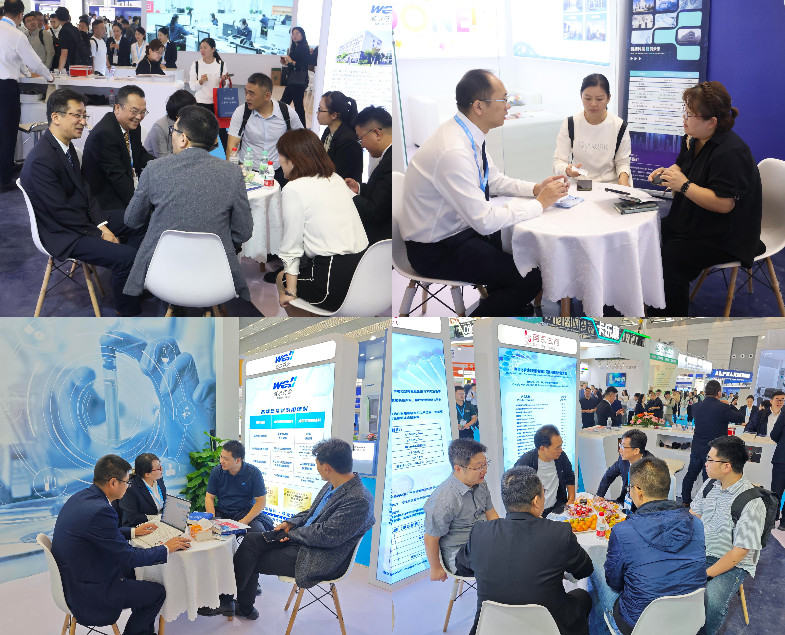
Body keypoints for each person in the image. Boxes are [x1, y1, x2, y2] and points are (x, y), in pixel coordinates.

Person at [400, 69, 568, 316]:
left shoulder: (466, 133)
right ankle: (469, 333)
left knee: (526, 254)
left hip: (458, 230)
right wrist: (540, 203)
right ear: (479, 106)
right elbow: (485, 221)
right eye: (503, 99)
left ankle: (507, 310)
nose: (508, 106)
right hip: (435, 247)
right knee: (529, 279)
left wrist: (534, 189)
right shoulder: (453, 150)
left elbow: (493, 180)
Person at [202, 438, 375, 620]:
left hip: (315, 554)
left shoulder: (359, 500)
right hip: (302, 539)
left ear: (326, 468)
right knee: (250, 541)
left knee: (250, 556)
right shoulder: (333, 484)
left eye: (317, 464)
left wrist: (291, 535)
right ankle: (233, 603)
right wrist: (290, 524)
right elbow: (311, 513)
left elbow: (326, 535)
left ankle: (235, 604)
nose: (316, 468)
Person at [19, 88, 146, 316]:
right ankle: (127, 312)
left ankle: (130, 282)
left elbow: (86, 192)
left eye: (84, 116)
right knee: (127, 256)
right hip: (62, 233)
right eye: (77, 115)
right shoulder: (42, 160)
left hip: (80, 221)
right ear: (56, 117)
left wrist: (102, 225)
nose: (83, 122)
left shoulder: (65, 147)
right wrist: (99, 233)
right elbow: (61, 213)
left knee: (139, 219)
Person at [649, 81, 763, 316]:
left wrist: (684, 185)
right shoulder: (694, 137)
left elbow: (724, 204)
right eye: (685, 111)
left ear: (712, 122)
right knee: (648, 236)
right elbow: (681, 166)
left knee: (672, 260)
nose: (684, 119)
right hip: (695, 218)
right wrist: (668, 174)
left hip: (725, 234)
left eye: (690, 115)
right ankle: (656, 303)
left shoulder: (731, 153)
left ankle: (669, 325)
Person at [124, 104, 253, 306]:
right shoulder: (233, 173)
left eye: (174, 131)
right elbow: (243, 232)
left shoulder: (154, 169)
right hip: (216, 274)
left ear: (183, 138)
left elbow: (132, 220)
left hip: (161, 273)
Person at [51, 454, 191, 635]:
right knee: (157, 593)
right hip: (91, 590)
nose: (128, 486)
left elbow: (102, 533)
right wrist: (166, 548)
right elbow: (129, 556)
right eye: (126, 482)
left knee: (138, 575)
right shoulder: (102, 510)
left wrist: (133, 531)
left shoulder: (82, 497)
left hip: (75, 578)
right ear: (113, 483)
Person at [455, 466, 593, 635]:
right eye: (544, 493)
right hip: (550, 627)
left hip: (491, 627)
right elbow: (585, 569)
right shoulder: (559, 532)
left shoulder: (479, 532)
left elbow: (461, 566)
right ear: (536, 501)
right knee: (584, 596)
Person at [589, 456, 706, 635]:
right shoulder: (697, 524)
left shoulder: (623, 531)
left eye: (630, 488)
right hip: (689, 620)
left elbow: (614, 581)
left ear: (638, 491)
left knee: (594, 564)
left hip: (638, 626)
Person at [274, 129, 369, 314]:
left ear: (292, 159)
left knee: (281, 279)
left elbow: (291, 247)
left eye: (280, 155)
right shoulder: (335, 178)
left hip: (331, 284)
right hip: (363, 275)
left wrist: (290, 292)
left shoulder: (293, 189)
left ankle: (303, 328)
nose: (279, 160)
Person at [691, 436, 766, 635]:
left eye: (710, 459)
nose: (705, 463)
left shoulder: (751, 502)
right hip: (702, 550)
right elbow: (694, 515)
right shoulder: (710, 485)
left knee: (712, 601)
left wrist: (705, 574)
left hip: (732, 561)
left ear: (726, 466)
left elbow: (739, 553)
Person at [423, 438, 499, 579]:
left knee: (520, 546)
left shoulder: (481, 483)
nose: (484, 471)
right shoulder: (444, 499)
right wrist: (436, 568)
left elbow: (491, 512)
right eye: (478, 467)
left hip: (483, 542)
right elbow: (430, 538)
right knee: (508, 563)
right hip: (461, 554)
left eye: (485, 464)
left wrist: (501, 535)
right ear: (458, 468)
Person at [0, 0, 54, 193]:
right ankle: (4, 179)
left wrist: (25, 71)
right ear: (21, 15)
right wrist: (49, 76)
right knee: (7, 132)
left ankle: (6, 167)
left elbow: (21, 62)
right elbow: (34, 62)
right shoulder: (16, 35)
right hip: (5, 88)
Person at [83, 84, 155, 212]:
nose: (139, 117)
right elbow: (118, 177)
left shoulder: (132, 125)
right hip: (106, 201)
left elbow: (140, 154)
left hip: (129, 186)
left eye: (143, 112)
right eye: (134, 111)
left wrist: (163, 164)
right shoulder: (104, 134)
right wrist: (140, 208)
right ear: (117, 108)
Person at [226, 72, 302, 186]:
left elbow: (301, 139)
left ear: (267, 96)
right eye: (246, 92)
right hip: (247, 171)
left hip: (276, 171)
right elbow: (232, 146)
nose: (247, 97)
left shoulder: (286, 112)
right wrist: (232, 175)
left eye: (252, 94)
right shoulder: (241, 112)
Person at [553, 73, 631, 185]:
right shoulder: (571, 123)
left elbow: (623, 163)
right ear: (581, 96)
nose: (593, 104)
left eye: (599, 99)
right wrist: (567, 170)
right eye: (588, 98)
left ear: (608, 98)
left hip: (609, 184)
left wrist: (623, 180)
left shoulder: (619, 126)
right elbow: (559, 161)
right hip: (580, 183)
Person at [681, 379, 743, 505]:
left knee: (691, 475)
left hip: (697, 447)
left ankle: (685, 500)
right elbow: (740, 417)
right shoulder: (723, 407)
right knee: (709, 479)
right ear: (719, 393)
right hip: (714, 451)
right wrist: (730, 405)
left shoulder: (696, 407)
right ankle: (706, 505)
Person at [345, 105, 392, 245]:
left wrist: (350, 195)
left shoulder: (390, 163)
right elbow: (382, 192)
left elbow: (374, 212)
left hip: (380, 241)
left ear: (377, 133)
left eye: (361, 139)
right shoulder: (388, 156)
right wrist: (359, 188)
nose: (361, 145)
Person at [204, 440, 273, 533]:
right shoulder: (216, 471)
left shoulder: (253, 473)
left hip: (246, 513)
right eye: (221, 457)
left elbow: (261, 501)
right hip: (222, 512)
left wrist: (245, 521)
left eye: (226, 459)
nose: (221, 461)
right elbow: (209, 497)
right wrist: (212, 520)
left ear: (238, 460)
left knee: (258, 533)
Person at [514, 424, 576, 516]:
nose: (561, 450)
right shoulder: (525, 462)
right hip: (534, 513)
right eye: (557, 447)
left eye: (561, 445)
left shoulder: (561, 457)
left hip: (556, 508)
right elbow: (515, 493)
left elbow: (569, 476)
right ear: (542, 448)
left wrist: (571, 499)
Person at [596, 428, 652, 513]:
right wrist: (600, 495)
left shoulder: (650, 467)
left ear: (636, 450)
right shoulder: (623, 460)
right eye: (620, 445)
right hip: (624, 502)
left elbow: (651, 500)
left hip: (641, 510)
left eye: (623, 447)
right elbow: (609, 475)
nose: (620, 450)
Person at [317, 90, 362, 182]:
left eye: (320, 110)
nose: (317, 113)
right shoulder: (328, 130)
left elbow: (339, 174)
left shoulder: (348, 140)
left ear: (334, 115)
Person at [143, 88, 196, 158]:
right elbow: (163, 158)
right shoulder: (159, 128)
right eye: (191, 111)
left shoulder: (188, 122)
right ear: (178, 114)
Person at [120, 453, 167, 527]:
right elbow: (132, 518)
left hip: (160, 522)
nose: (162, 469)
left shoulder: (158, 478)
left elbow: (163, 501)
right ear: (147, 474)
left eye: (160, 465)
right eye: (158, 468)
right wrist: (156, 518)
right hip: (140, 526)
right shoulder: (130, 489)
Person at [188, 37, 229, 113]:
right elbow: (192, 87)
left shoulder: (221, 64)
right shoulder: (196, 65)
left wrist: (223, 81)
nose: (202, 50)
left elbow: (225, 85)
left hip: (216, 102)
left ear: (213, 49)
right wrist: (200, 81)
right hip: (200, 102)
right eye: (201, 48)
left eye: (205, 48)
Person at [280, 26, 310, 126]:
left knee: (296, 106)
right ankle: (281, 124)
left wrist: (291, 61)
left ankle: (302, 129)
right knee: (284, 104)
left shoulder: (304, 48)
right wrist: (285, 63)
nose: (294, 36)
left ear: (302, 35)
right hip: (293, 81)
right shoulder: (294, 48)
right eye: (293, 34)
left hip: (299, 82)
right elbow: (293, 65)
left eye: (297, 33)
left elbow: (303, 66)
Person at [769, 396, 785, 527]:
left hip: (782, 457)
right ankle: (784, 523)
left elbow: (774, 433)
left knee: (776, 491)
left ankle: (771, 521)